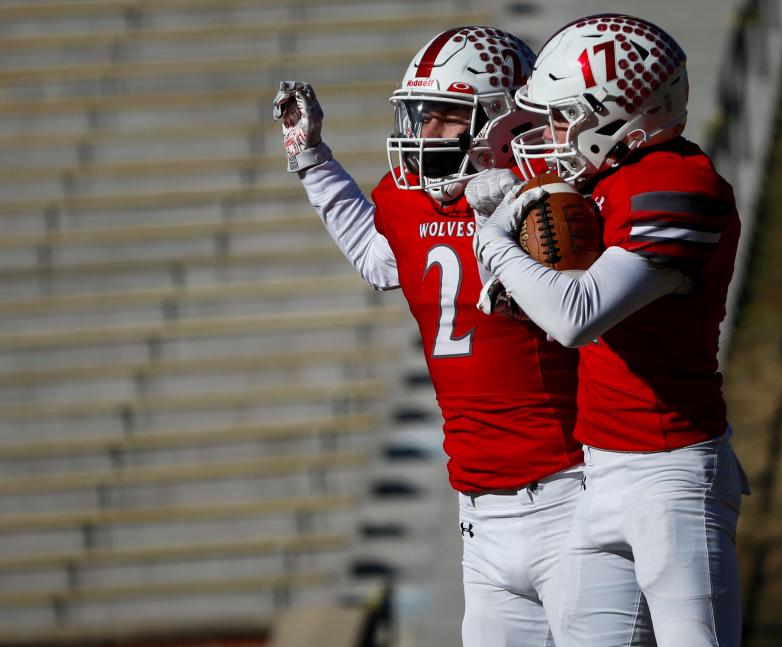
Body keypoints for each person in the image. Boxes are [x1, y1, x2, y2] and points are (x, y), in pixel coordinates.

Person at [273, 27, 584, 647]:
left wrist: (524, 206)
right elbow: (379, 258)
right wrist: (313, 162)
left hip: (572, 488)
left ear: (500, 119)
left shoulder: (553, 200)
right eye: (420, 116)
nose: (422, 135)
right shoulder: (406, 198)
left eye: (445, 117)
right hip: (479, 508)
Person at [472, 14, 750, 647]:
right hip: (600, 468)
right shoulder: (607, 184)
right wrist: (520, 228)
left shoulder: (679, 182)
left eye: (564, 116)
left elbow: (576, 315)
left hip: (671, 471)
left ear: (623, 114)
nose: (549, 135)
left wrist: (494, 243)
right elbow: (536, 309)